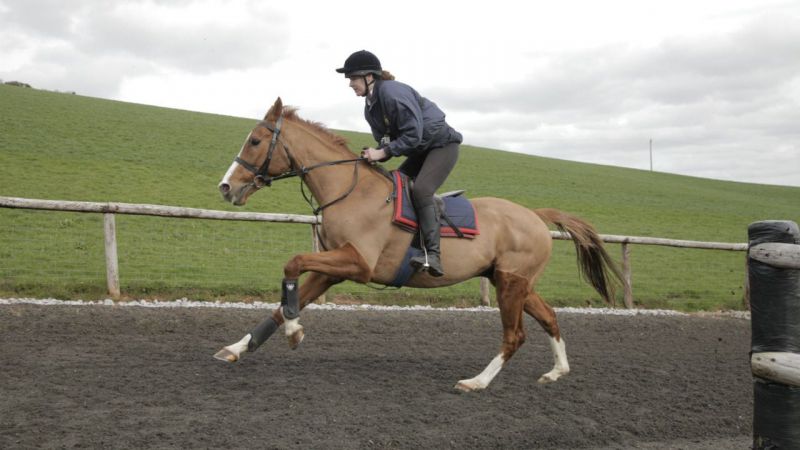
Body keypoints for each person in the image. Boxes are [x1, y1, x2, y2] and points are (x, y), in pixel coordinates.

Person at [336, 50, 462, 277]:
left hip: (442, 146)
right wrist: (374, 155)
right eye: (350, 79)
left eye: (353, 78)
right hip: (420, 149)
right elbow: (387, 141)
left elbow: (412, 136)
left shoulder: (393, 93)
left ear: (369, 76)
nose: (351, 84)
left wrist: (382, 152)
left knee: (422, 189)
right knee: (395, 184)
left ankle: (432, 255)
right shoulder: (370, 106)